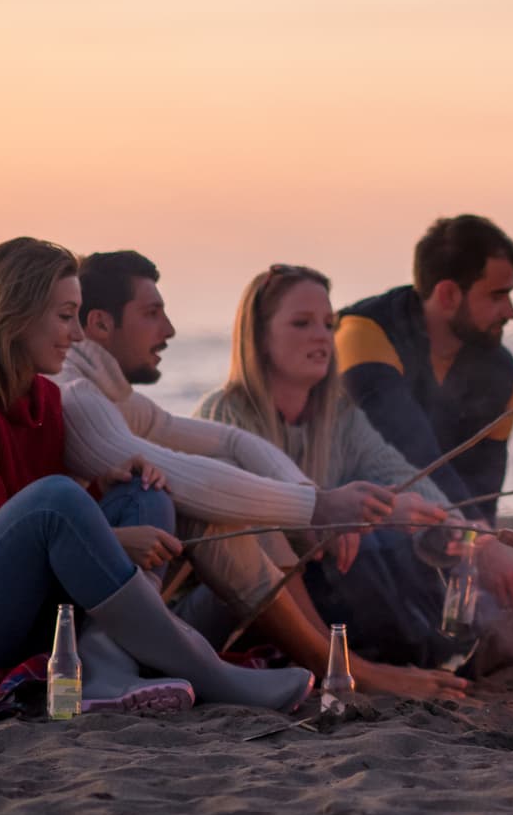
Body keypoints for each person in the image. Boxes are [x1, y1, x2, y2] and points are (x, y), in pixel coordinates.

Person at [0, 238, 312, 712]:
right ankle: (206, 670)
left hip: (5, 619)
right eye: (65, 315)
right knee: (55, 498)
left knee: (143, 491)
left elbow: (40, 529)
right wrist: (113, 538)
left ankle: (102, 662)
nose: (77, 334)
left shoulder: (44, 403)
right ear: (16, 314)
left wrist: (104, 488)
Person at [61, 251, 413, 677]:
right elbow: (186, 478)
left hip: (118, 604)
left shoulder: (114, 398)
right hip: (68, 623)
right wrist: (318, 509)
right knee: (197, 502)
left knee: (226, 483)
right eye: (153, 314)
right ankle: (340, 667)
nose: (169, 330)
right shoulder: (76, 396)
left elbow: (229, 442)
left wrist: (313, 500)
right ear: (100, 323)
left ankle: (340, 662)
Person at [195, 265, 469, 697]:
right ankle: (351, 666)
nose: (322, 337)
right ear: (259, 336)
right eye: (301, 323)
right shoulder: (223, 416)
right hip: (240, 605)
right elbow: (259, 531)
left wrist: (443, 524)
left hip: (318, 598)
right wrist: (365, 515)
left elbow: (401, 477)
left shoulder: (339, 416)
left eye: (328, 324)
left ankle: (396, 656)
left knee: (403, 554)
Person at [335, 214, 513, 613]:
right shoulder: (364, 332)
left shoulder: (500, 370)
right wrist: (479, 541)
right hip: (360, 535)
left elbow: (484, 486)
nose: (511, 311)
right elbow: (409, 451)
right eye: (497, 296)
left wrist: (479, 545)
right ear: (447, 295)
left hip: (451, 537)